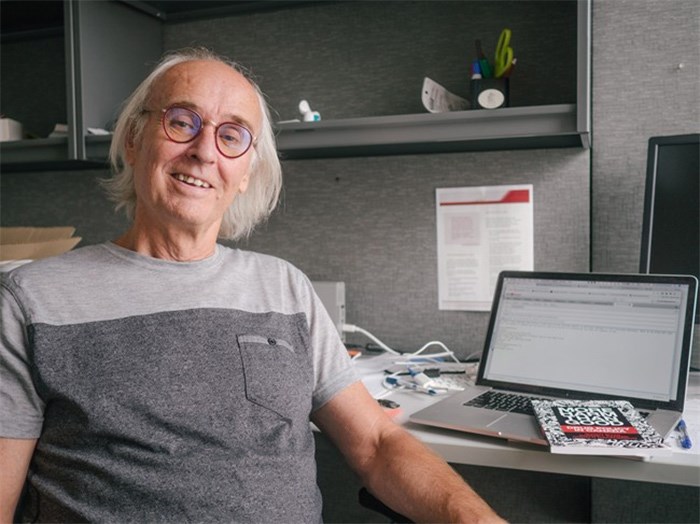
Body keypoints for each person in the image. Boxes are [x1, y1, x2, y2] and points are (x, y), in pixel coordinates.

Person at [0, 47, 504, 523]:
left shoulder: (283, 287)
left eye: (232, 135)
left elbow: (374, 442)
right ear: (134, 140)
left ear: (245, 173)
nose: (203, 152)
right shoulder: (31, 299)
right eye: (182, 122)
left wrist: (473, 516)